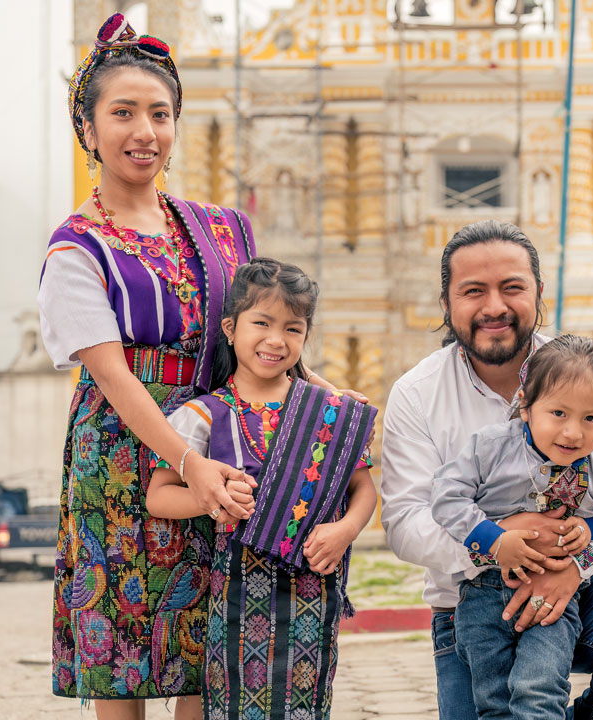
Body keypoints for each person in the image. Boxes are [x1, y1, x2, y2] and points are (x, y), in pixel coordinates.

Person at [41, 15, 363, 719]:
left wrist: (317, 394)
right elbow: (113, 375)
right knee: (124, 656)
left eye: (160, 114)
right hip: (127, 459)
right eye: (121, 113)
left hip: (227, 444)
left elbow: (257, 333)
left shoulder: (225, 228)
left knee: (207, 647)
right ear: (88, 129)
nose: (143, 131)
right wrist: (187, 464)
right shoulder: (75, 248)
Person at [381, 220, 593, 720]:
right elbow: (405, 523)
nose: (494, 307)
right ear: (446, 302)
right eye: (473, 291)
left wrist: (573, 564)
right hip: (471, 600)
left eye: (512, 287)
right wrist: (499, 539)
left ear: (538, 293)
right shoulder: (417, 394)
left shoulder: (592, 382)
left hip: (577, 590)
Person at [145, 259, 378, 720]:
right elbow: (159, 495)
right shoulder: (205, 414)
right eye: (262, 323)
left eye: (293, 328)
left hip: (313, 587)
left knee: (307, 703)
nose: (276, 340)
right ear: (230, 328)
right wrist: (210, 499)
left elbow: (364, 488)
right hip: (233, 594)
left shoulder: (328, 410)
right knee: (233, 702)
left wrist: (346, 531)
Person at [431, 335, 593, 720]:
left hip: (556, 600)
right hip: (483, 594)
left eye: (591, 419)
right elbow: (446, 499)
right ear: (526, 405)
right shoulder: (489, 448)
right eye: (558, 414)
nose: (573, 433)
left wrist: (590, 528)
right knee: (495, 701)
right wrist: (495, 540)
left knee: (540, 693)